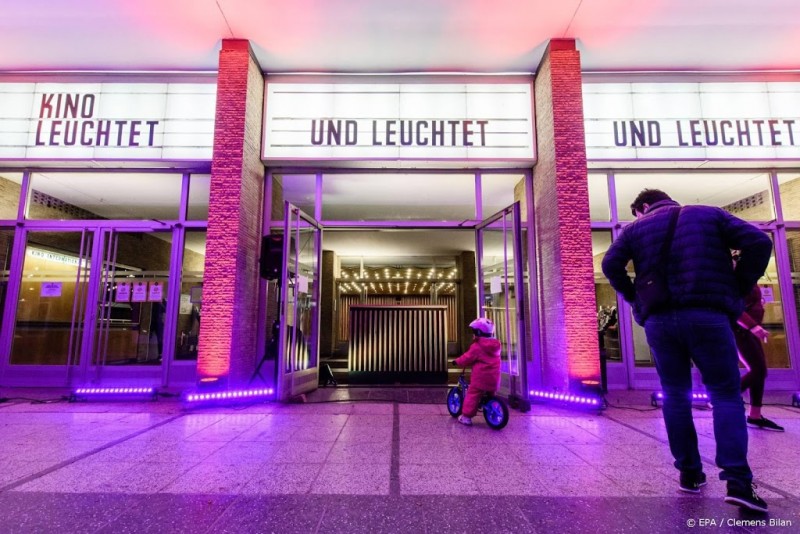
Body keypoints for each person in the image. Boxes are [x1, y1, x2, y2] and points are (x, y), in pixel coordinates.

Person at [601, 189, 772, 513]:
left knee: (675, 395)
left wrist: (637, 299)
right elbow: (759, 242)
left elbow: (611, 265)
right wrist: (737, 287)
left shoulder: (636, 229)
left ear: (644, 206)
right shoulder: (709, 214)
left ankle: (690, 474)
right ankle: (737, 481)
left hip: (660, 321)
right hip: (708, 315)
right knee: (725, 394)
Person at [732, 267, 784, 432]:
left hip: (750, 330)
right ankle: (726, 396)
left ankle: (755, 415)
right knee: (759, 371)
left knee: (759, 372)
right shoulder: (736, 277)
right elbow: (734, 306)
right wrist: (752, 326)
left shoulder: (746, 276)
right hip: (743, 330)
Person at [452, 318, 501, 426]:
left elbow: (467, 358)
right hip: (494, 378)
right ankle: (493, 412)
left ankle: (466, 417)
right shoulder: (496, 345)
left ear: (478, 332)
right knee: (491, 394)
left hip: (480, 379)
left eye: (474, 332)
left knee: (472, 395)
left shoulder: (477, 346)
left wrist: (457, 361)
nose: (473, 335)